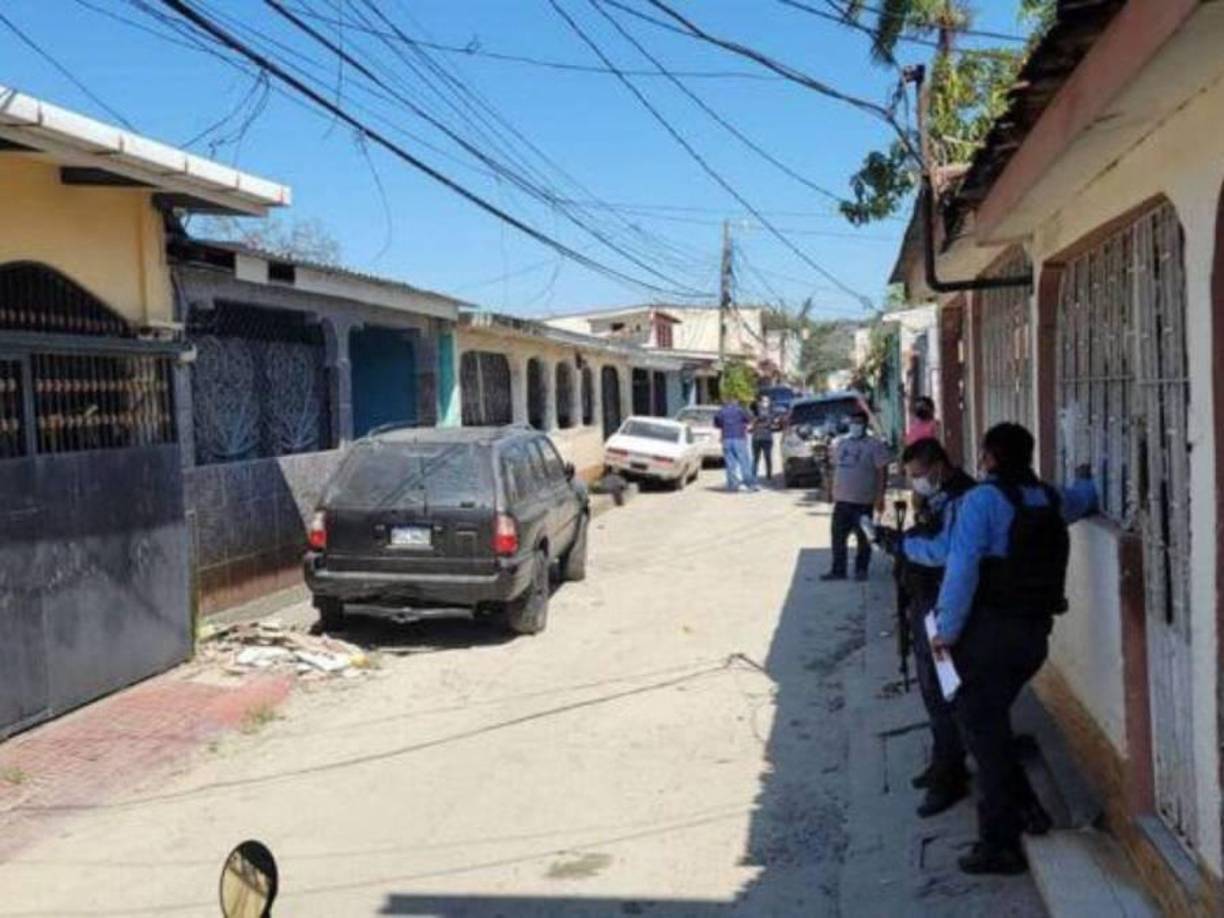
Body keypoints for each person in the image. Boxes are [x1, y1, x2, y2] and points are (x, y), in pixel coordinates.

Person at [930, 423, 1097, 875]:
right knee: (992, 723)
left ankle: (1000, 842)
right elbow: (1088, 497)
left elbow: (961, 570)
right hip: (1033, 637)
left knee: (981, 734)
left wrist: (944, 631)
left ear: (990, 458)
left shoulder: (982, 501)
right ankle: (1024, 808)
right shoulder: (1050, 497)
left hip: (988, 637)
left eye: (984, 454)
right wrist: (1087, 473)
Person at [893, 437, 976, 819]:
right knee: (932, 693)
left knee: (945, 696)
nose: (916, 484)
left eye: (918, 476)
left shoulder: (963, 498)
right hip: (927, 602)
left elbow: (945, 551)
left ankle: (951, 776)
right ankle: (943, 763)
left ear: (938, 467)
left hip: (945, 610)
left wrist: (902, 546)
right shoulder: (941, 496)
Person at [822, 409, 890, 581]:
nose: (855, 426)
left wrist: (880, 496)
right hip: (842, 500)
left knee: (863, 538)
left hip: (863, 501)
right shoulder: (841, 444)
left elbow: (882, 471)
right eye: (853, 422)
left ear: (865, 425)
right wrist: (829, 491)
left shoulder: (874, 445)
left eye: (859, 423)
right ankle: (838, 570)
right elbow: (834, 468)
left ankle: (861, 569)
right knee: (838, 537)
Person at [713, 396, 757, 492]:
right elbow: (750, 419)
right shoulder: (740, 410)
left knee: (730, 463)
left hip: (726, 439)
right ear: (736, 402)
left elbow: (716, 424)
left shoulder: (721, 411)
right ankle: (750, 485)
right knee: (744, 462)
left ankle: (732, 486)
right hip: (739, 438)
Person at [751, 397, 775, 482]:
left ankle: (768, 474)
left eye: (766, 401)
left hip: (764, 438)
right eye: (763, 401)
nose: (764, 403)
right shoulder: (755, 412)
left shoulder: (770, 412)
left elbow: (770, 422)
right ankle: (754, 474)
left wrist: (757, 423)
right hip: (760, 437)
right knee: (757, 457)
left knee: (766, 457)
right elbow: (752, 422)